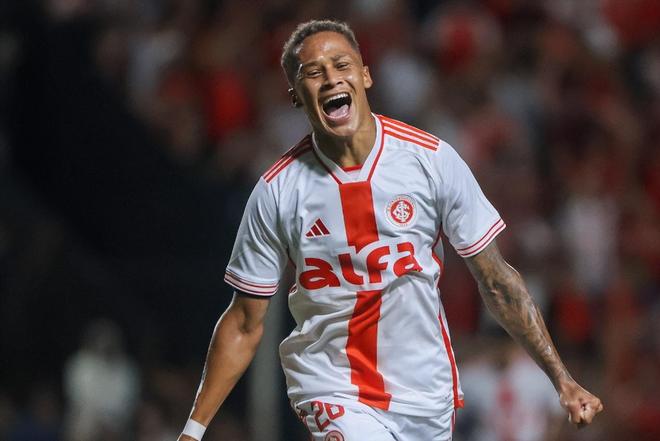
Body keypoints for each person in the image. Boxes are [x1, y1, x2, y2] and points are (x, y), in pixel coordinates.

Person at [178, 20, 603, 441]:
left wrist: (562, 380)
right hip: (333, 389)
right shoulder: (277, 191)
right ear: (295, 95)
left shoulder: (431, 160)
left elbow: (496, 281)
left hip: (427, 397)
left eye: (341, 64)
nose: (330, 78)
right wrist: (192, 433)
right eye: (313, 72)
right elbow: (244, 322)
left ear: (364, 75)